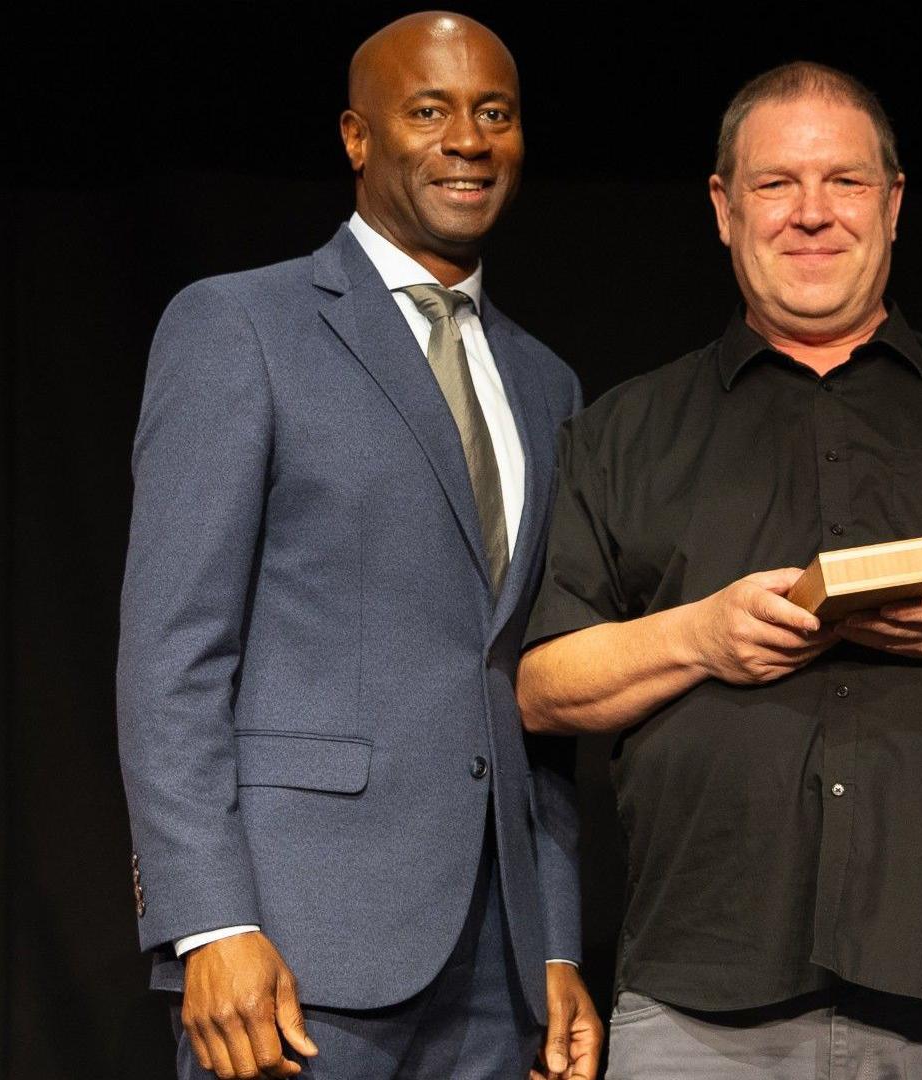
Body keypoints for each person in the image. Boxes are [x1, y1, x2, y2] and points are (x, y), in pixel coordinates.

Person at [515, 61, 922, 1077]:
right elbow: (543, 686)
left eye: (845, 182)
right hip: (698, 1001)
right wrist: (696, 635)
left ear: (894, 204)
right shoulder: (620, 433)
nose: (811, 214)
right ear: (724, 209)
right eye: (776, 184)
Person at [117, 12, 599, 1079]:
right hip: (294, 951)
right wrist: (209, 923)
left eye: (495, 113)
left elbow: (533, 693)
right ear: (356, 136)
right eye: (429, 110)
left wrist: (556, 938)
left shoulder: (549, 385)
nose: (468, 139)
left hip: (500, 970)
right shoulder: (239, 326)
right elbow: (171, 657)